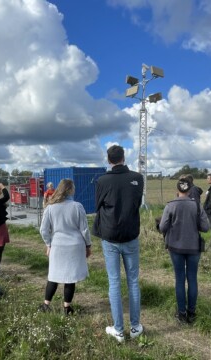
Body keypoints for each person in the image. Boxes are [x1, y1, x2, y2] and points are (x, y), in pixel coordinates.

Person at [92, 145, 144, 343]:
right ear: (123, 157)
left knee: (114, 282)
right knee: (132, 281)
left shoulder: (103, 180)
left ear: (109, 160)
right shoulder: (137, 178)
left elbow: (97, 205)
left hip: (111, 236)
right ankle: (135, 326)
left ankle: (119, 330)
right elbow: (136, 203)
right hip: (130, 234)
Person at [159, 178, 209, 324]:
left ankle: (181, 313)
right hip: (194, 247)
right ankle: (192, 313)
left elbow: (162, 227)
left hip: (175, 247)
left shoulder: (170, 206)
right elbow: (205, 228)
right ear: (189, 190)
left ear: (177, 190)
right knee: (192, 278)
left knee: (180, 279)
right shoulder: (197, 206)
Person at [39, 179, 91, 315]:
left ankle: (46, 304)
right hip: (75, 245)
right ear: (70, 190)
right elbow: (84, 229)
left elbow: (43, 230)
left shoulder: (50, 207)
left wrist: (48, 244)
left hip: (57, 245)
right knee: (70, 277)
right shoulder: (77, 206)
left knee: (54, 275)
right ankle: (67, 308)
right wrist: (88, 244)